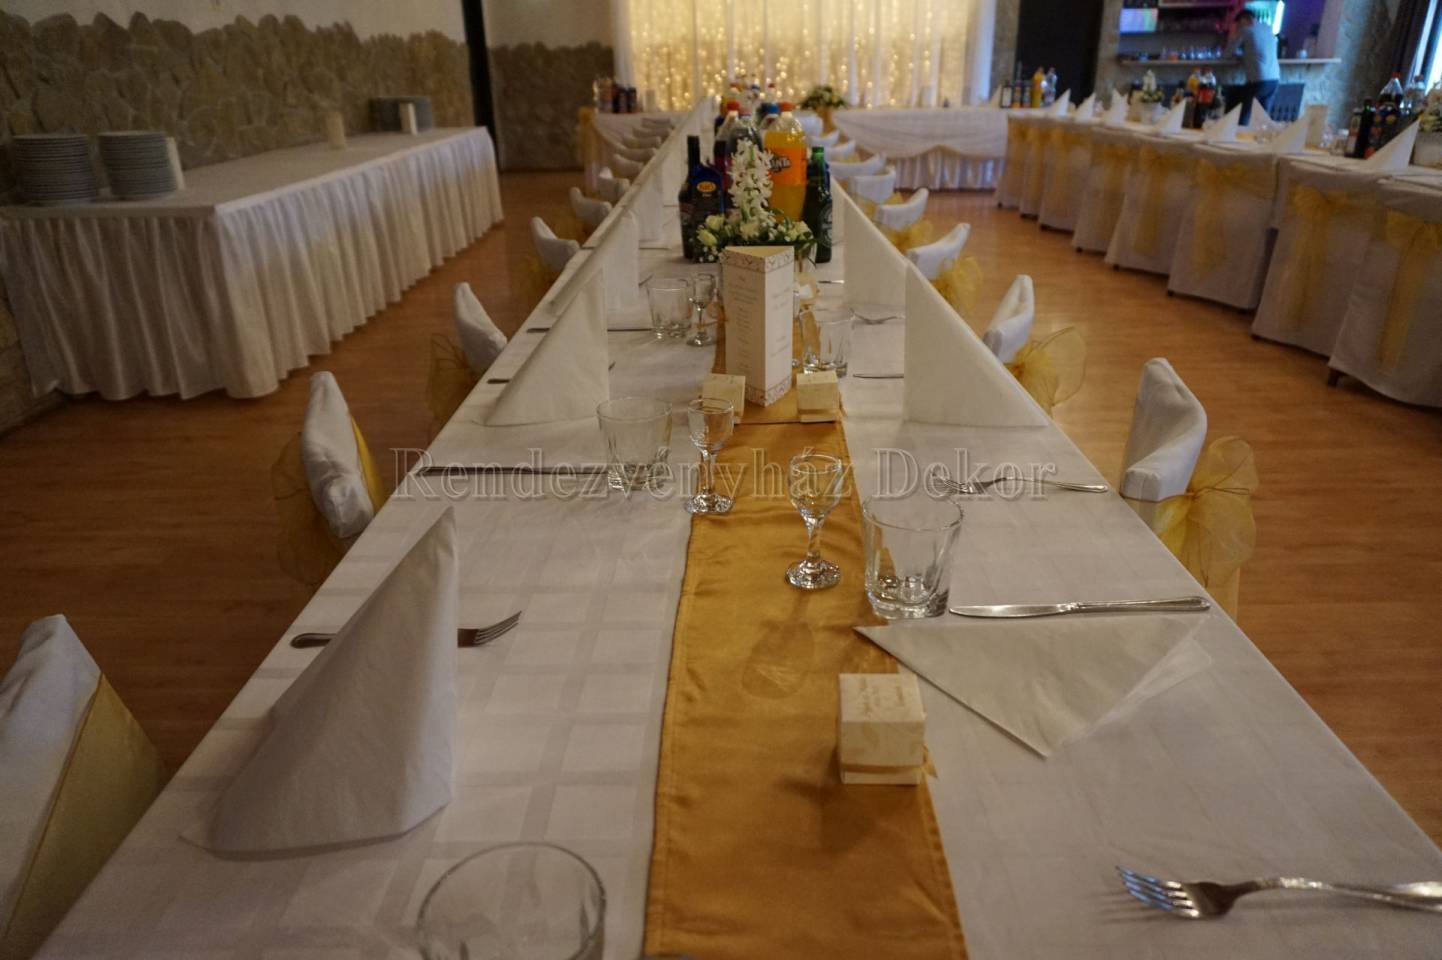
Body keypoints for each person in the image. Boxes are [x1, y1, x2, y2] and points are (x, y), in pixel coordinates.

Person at [1230, 5, 1281, 126]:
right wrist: (1246, 56)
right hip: (1275, 79)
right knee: (1262, 118)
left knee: (1244, 114)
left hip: (1258, 80)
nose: (1238, 27)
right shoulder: (1268, 29)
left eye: (1238, 24)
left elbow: (1229, 52)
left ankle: (1239, 134)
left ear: (1244, 20)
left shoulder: (1246, 30)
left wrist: (1240, 55)